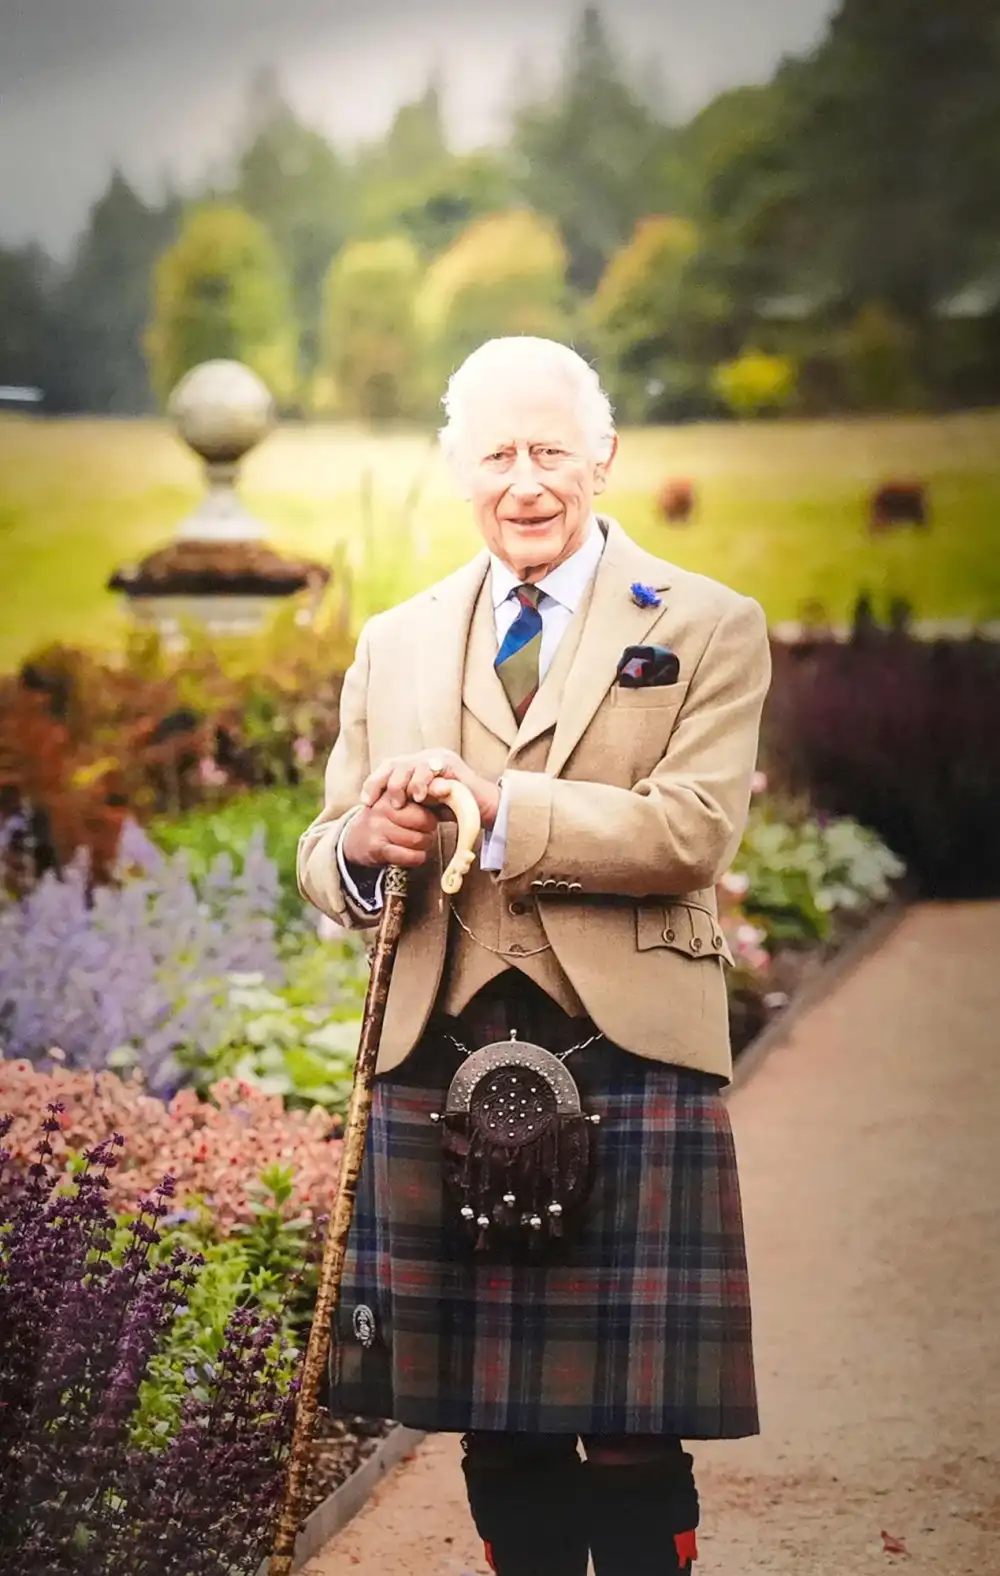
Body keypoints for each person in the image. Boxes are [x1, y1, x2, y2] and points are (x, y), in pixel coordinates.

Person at [297, 335, 772, 1576]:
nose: (527, 482)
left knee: (627, 1428)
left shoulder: (709, 625)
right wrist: (366, 836)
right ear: (461, 470)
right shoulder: (394, 641)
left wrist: (496, 807)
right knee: (497, 1426)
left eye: (551, 451)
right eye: (498, 454)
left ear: (602, 458)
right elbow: (326, 847)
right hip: (437, 1057)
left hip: (627, 1053)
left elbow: (693, 830)